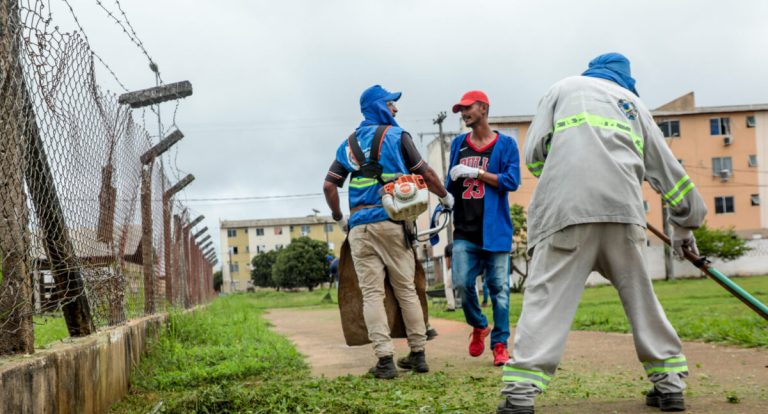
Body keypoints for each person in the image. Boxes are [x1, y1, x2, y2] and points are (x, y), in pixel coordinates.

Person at [497, 53, 707, 414]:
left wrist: (564, 166)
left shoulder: (563, 88)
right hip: (623, 212)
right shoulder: (634, 105)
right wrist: (685, 224)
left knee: (545, 301)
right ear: (625, 81)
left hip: (565, 212)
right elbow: (667, 171)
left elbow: (533, 154)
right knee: (642, 300)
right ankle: (670, 385)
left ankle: (520, 392)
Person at [323, 84, 453, 379]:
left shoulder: (349, 144)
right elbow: (425, 172)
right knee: (406, 289)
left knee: (372, 294)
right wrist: (446, 197)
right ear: (380, 106)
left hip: (360, 227)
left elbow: (330, 185)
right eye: (392, 103)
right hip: (394, 222)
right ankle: (418, 354)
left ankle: (385, 361)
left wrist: (340, 218)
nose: (396, 108)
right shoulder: (397, 136)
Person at [446, 90, 521, 367]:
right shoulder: (458, 144)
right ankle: (479, 325)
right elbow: (451, 182)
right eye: (461, 110)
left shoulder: (506, 145)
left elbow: (512, 181)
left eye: (467, 108)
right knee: (463, 283)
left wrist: (476, 172)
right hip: (465, 230)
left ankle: (500, 345)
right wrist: (444, 199)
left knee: (499, 290)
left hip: (496, 230)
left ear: (483, 109)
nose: (463, 113)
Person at [443, 242, 456, 311]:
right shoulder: (465, 243)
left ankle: (451, 306)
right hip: (465, 267)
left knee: (448, 287)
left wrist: (449, 270)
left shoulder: (448, 246)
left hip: (453, 268)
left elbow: (448, 263)